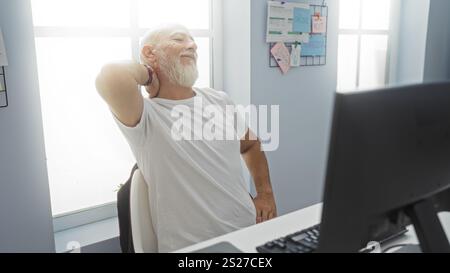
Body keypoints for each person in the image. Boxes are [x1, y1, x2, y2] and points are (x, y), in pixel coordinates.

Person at [95, 23, 277, 252]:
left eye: (192, 41)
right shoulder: (145, 116)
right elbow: (110, 75)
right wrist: (148, 74)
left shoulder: (218, 100)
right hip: (195, 250)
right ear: (150, 53)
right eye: (179, 39)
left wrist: (265, 195)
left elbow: (251, 144)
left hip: (250, 235)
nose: (192, 45)